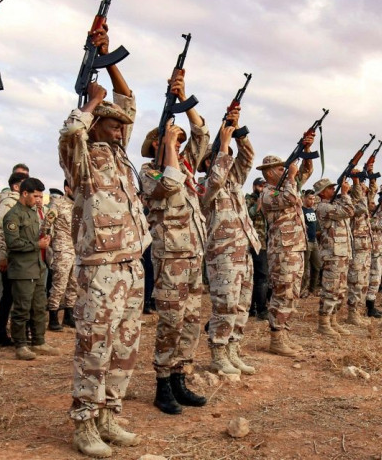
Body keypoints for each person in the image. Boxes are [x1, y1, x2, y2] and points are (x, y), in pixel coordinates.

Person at [58, 24, 149, 457]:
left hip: (131, 265)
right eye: (112, 124)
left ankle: (110, 413)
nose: (120, 129)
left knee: (125, 346)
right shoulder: (82, 159)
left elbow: (129, 102)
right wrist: (92, 103)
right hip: (100, 268)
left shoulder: (119, 154)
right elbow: (69, 134)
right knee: (94, 347)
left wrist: (109, 62)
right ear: (97, 123)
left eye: (120, 125)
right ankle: (84, 424)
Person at [140, 71, 209, 415]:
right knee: (170, 321)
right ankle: (163, 383)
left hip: (193, 255)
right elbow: (166, 186)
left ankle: (182, 376)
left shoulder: (184, 164)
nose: (179, 145)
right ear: (156, 144)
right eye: (169, 140)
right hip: (170, 258)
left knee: (192, 319)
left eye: (178, 142)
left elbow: (202, 135)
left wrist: (184, 100)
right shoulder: (148, 171)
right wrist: (167, 144)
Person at [199, 109, 260, 378]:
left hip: (244, 250)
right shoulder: (203, 185)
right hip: (222, 254)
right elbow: (214, 180)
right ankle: (218, 353)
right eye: (222, 158)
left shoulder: (233, 181)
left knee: (241, 304)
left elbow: (247, 158)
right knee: (224, 305)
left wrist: (238, 133)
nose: (227, 161)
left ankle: (234, 349)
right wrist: (223, 145)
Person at [257, 134, 315, 357]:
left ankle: (285, 334)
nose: (285, 172)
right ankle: (276, 338)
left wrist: (306, 151)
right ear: (270, 173)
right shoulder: (268, 194)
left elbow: (305, 173)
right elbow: (291, 198)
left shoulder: (287, 186)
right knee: (282, 292)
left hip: (295, 248)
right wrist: (290, 176)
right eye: (280, 170)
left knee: (292, 293)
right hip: (282, 250)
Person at [2, 177, 58, 360]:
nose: (38, 200)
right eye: (35, 196)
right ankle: (20, 345)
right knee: (22, 309)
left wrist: (44, 241)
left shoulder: (33, 214)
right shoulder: (12, 215)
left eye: (41, 196)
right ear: (24, 193)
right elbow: (13, 243)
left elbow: (36, 237)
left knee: (39, 307)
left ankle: (39, 341)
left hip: (38, 267)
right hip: (23, 270)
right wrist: (37, 245)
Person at [0, 171, 29, 346]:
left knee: (14, 296)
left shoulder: (21, 204)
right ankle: (1, 334)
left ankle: (10, 333)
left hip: (19, 257)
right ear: (16, 186)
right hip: (10, 257)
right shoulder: (8, 204)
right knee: (8, 297)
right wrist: (2, 256)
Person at [313, 178, 355, 337]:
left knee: (340, 289)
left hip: (342, 253)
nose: (333, 190)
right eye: (330, 188)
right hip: (332, 254)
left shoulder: (335, 205)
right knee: (330, 289)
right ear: (322, 192)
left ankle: (333, 320)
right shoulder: (323, 207)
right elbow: (349, 211)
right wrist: (344, 194)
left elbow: (353, 207)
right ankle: (323, 323)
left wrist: (354, 186)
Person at [46, 182, 79, 330]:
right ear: (67, 188)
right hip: (62, 249)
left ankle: (68, 315)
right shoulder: (57, 203)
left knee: (73, 284)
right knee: (59, 284)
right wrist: (47, 241)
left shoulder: (80, 205)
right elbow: (47, 224)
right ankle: (53, 317)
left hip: (76, 250)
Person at [345, 168, 375, 325]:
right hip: (356, 245)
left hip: (365, 246)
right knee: (356, 280)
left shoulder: (361, 199)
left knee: (363, 281)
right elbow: (362, 207)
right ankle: (352, 313)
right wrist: (356, 182)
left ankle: (357, 310)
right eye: (362, 190)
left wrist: (371, 174)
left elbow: (372, 193)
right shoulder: (350, 201)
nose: (366, 192)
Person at [245, 177, 269, 318]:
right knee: (260, 277)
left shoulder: (267, 199)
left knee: (260, 277)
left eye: (264, 186)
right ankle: (260, 310)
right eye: (260, 186)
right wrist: (257, 206)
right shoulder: (249, 200)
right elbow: (245, 217)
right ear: (254, 186)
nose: (262, 188)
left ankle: (253, 309)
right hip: (254, 244)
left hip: (265, 243)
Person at [366, 179, 382, 318]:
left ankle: (372, 306)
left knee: (376, 279)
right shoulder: (369, 218)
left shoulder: (377, 214)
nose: (374, 205)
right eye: (371, 203)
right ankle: (370, 309)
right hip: (374, 251)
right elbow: (381, 225)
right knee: (373, 279)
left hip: (379, 251)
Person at [301, 189, 321, 298]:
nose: (312, 201)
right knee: (304, 268)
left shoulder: (313, 211)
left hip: (314, 242)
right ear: (304, 198)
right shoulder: (301, 211)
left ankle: (312, 290)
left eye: (313, 199)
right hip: (306, 241)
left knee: (318, 266)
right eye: (310, 198)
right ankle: (302, 290)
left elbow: (317, 227)